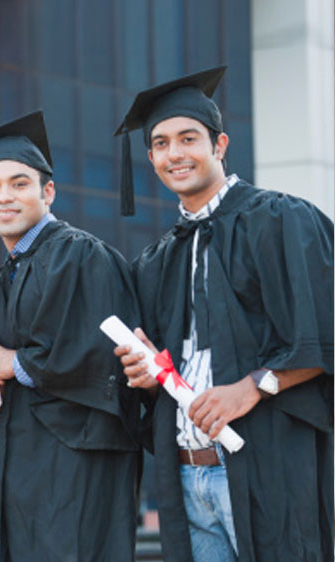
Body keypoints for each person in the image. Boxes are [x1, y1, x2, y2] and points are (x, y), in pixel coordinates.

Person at [113, 66, 333, 562]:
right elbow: (168, 372)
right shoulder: (158, 259)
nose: (175, 153)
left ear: (220, 144)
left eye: (188, 138)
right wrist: (147, 376)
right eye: (162, 144)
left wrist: (254, 385)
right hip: (185, 476)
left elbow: (324, 336)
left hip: (266, 469)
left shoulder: (282, 220)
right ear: (151, 159)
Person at [0, 111, 143, 561]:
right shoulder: (5, 275)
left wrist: (11, 363)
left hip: (80, 458)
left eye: (19, 184)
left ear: (48, 192)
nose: (4, 197)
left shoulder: (80, 255)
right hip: (27, 461)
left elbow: (101, 357)